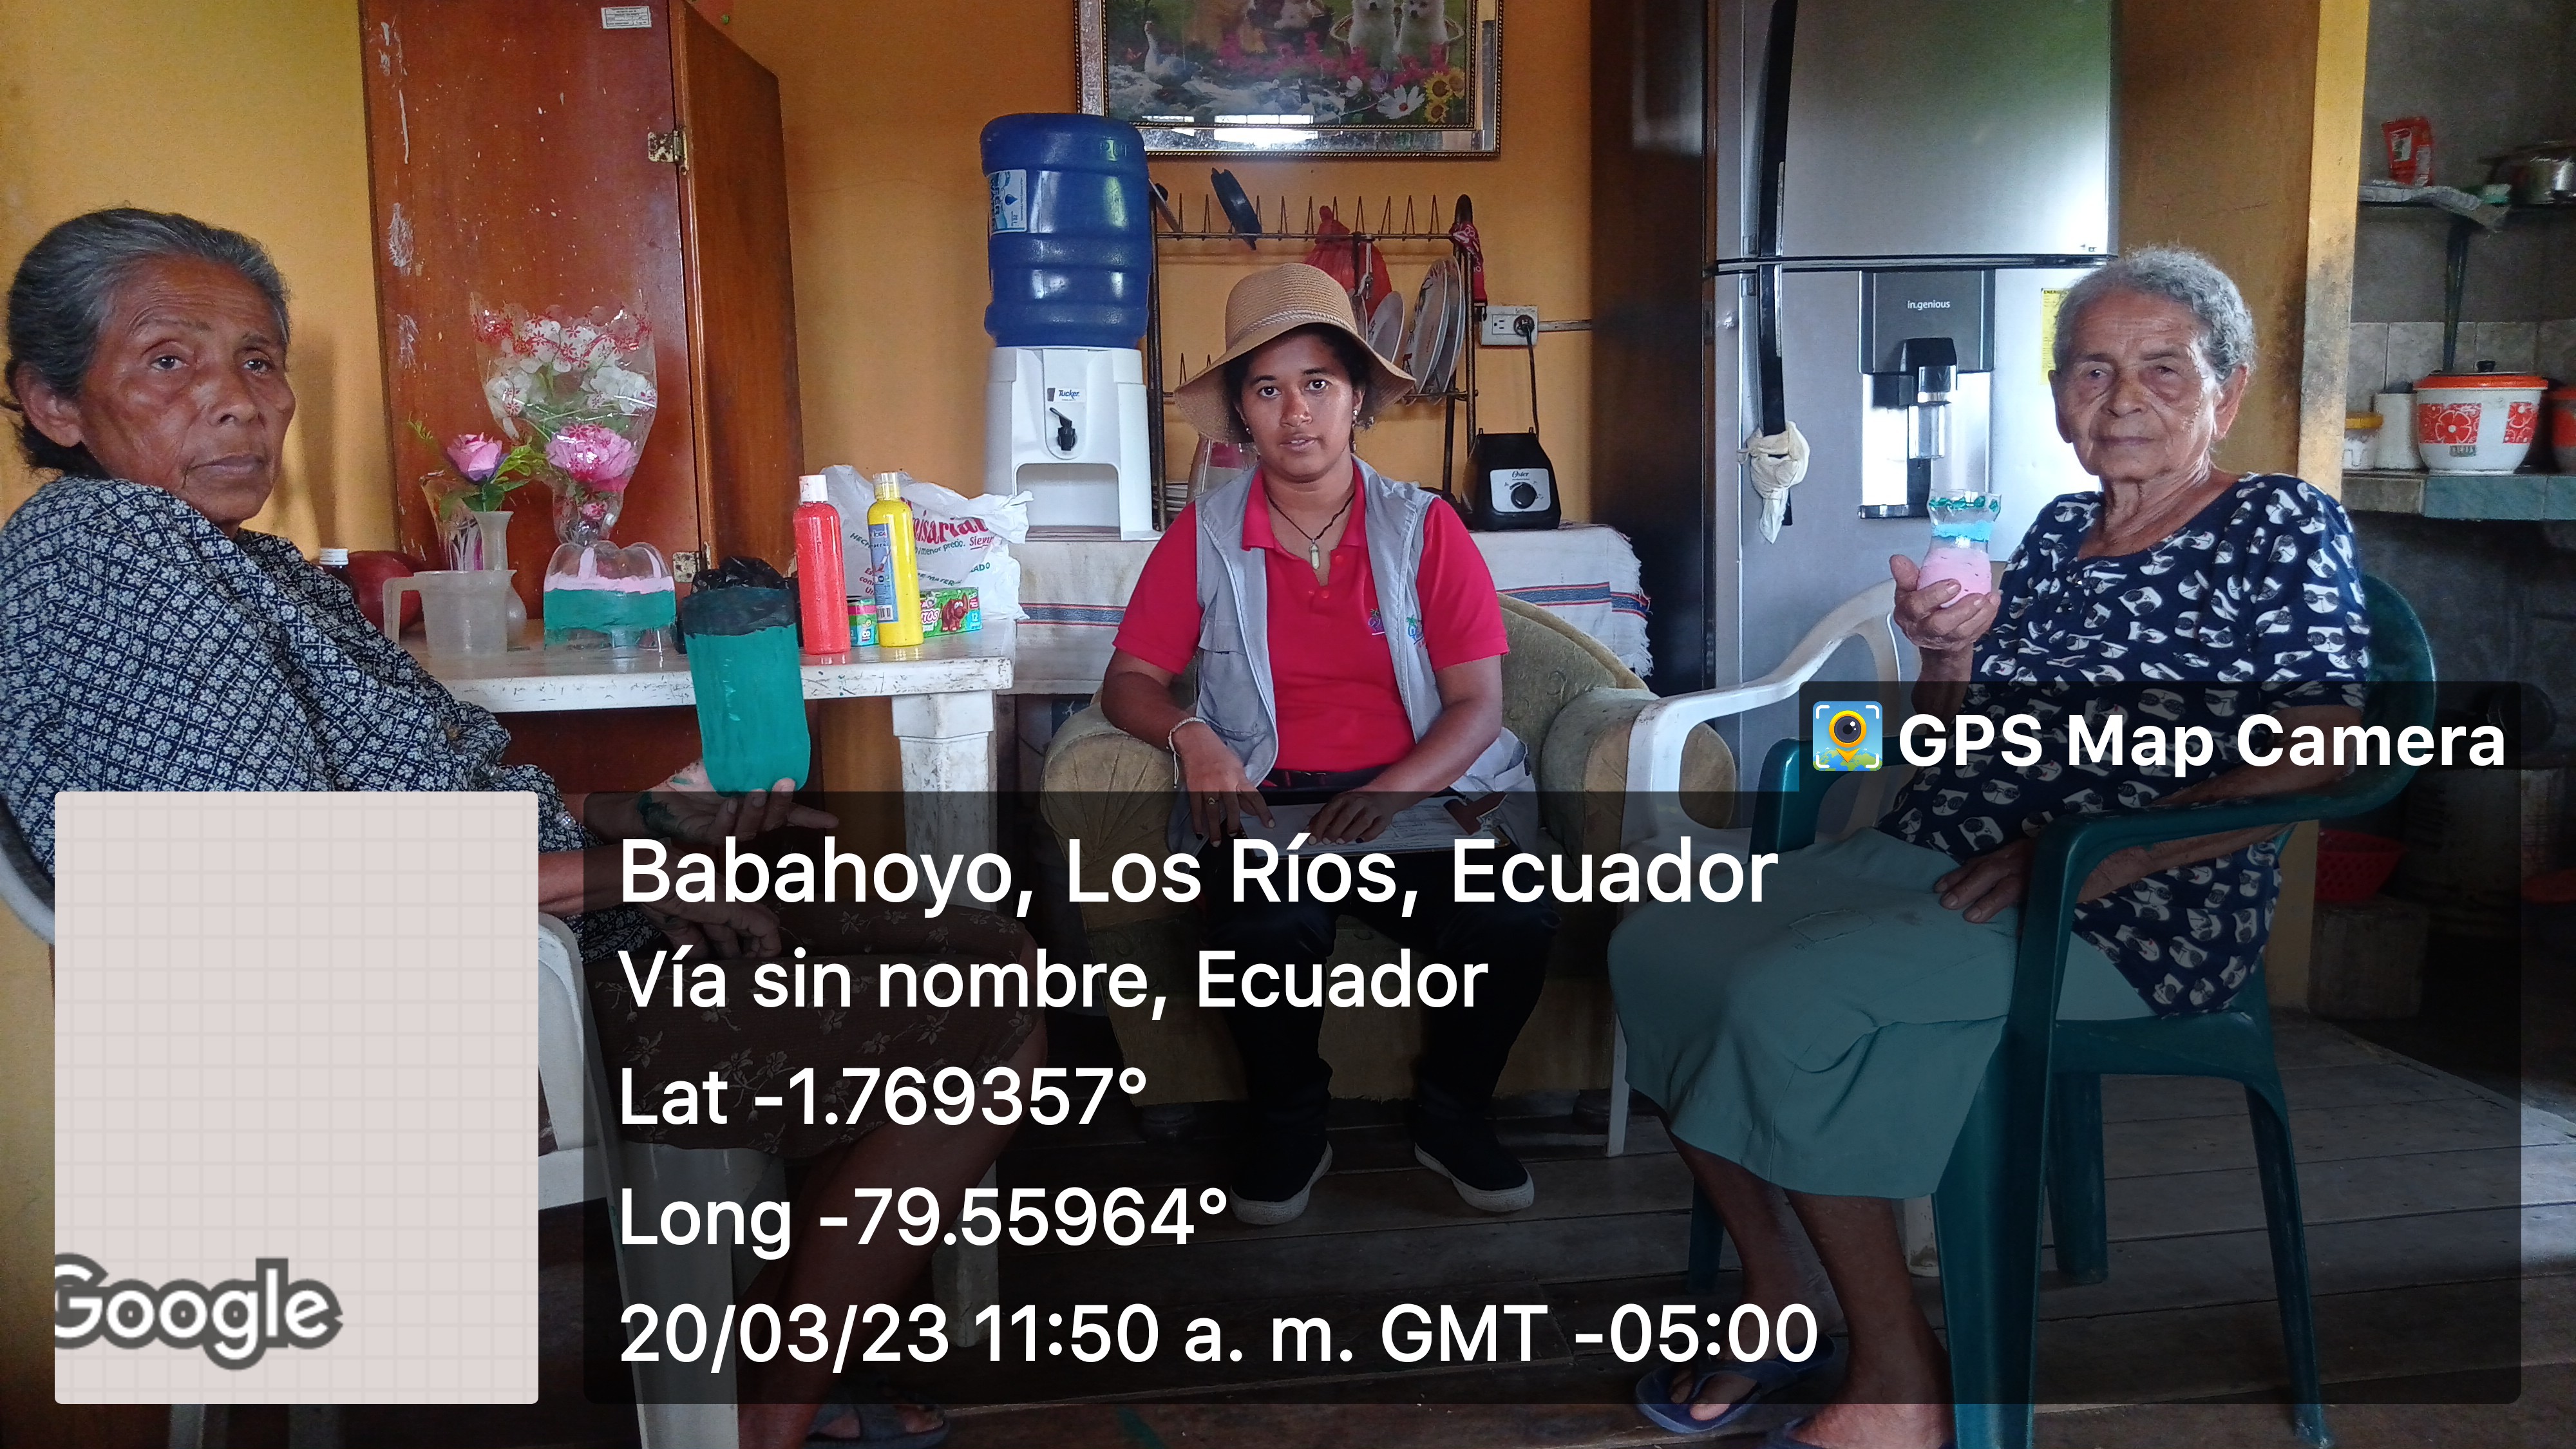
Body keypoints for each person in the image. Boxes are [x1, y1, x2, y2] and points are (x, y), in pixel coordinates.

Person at [0, 207, 1030, 1449]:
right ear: (54, 401)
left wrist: (640, 813)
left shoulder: (223, 559)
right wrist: (623, 872)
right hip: (411, 1023)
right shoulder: (113, 552)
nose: (237, 399)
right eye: (170, 360)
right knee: (985, 1010)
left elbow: (405, 793)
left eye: (259, 360)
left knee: (942, 938)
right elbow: (264, 874)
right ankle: (763, 1412)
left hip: (499, 954)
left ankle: (758, 1364)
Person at [1611, 247, 2372, 1449]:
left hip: (2132, 908)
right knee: (1659, 940)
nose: (2123, 398)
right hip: (1941, 856)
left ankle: (1900, 1375)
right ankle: (1782, 1292)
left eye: (2164, 369)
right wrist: (1949, 653)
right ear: (2060, 400)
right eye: (2092, 370)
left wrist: (2106, 853)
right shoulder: (2059, 531)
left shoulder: (2277, 521)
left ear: (2226, 394)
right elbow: (1952, 745)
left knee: (1790, 996)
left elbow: (2327, 745)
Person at [1098, 263, 1558, 1226]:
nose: (1296, 412)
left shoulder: (1427, 528)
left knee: (1514, 915)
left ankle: (1453, 1115)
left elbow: (1478, 705)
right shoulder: (1202, 538)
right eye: (1268, 389)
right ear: (1241, 411)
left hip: (1420, 797)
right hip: (1271, 803)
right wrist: (1193, 736)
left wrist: (1393, 793)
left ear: (1357, 400)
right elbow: (1129, 681)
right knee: (1260, 926)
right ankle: (1291, 1123)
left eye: (1318, 383)